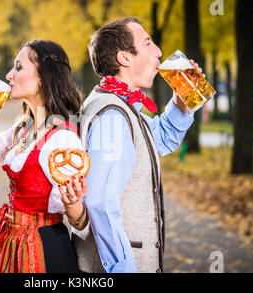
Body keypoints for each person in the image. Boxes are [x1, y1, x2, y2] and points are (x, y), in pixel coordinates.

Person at [71, 17, 205, 273]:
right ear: (125, 58)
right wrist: (124, 268)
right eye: (148, 43)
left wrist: (181, 101)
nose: (159, 52)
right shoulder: (112, 116)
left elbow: (161, 140)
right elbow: (98, 204)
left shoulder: (120, 106)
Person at [0, 40, 89, 273]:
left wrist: (72, 204)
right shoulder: (24, 127)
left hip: (44, 250)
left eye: (18, 67)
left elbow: (82, 223)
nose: (8, 75)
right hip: (12, 243)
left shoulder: (62, 140)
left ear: (43, 78)